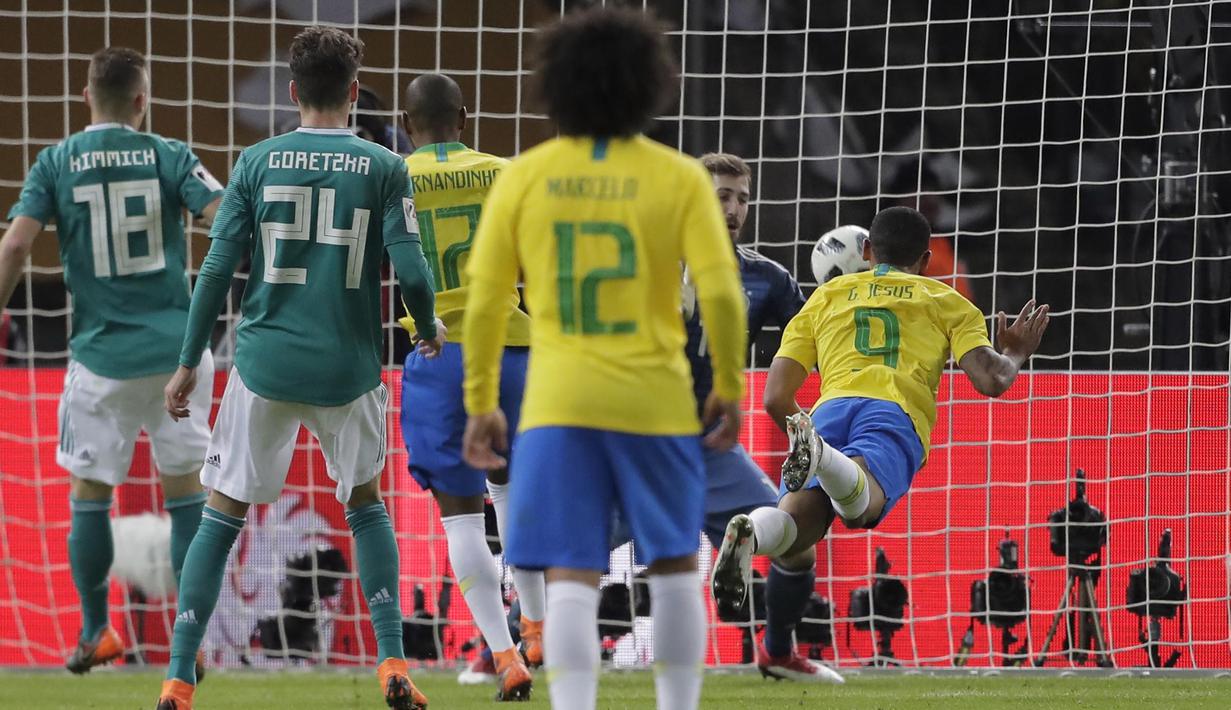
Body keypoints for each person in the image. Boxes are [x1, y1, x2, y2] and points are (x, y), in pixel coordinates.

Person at [459, 7, 747, 710]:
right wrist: (731, 385)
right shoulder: (678, 177)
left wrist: (480, 403)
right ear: (649, 84)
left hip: (560, 405)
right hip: (653, 399)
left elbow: (486, 299)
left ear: (555, 85)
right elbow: (722, 296)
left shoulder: (525, 177)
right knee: (676, 565)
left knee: (570, 574)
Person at [154, 26, 442, 710]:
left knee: (221, 512)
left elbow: (217, 268)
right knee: (366, 506)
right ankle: (393, 665)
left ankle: (176, 677)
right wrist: (427, 327)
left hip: (264, 364)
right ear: (352, 92)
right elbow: (410, 270)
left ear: (292, 92)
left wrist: (188, 363)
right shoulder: (384, 165)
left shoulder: (256, 161)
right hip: (348, 369)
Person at [711, 205, 1050, 678]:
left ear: (867, 251)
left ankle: (751, 530)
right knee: (860, 509)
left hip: (828, 411)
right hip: (892, 411)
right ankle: (826, 460)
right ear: (927, 259)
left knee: (796, 533)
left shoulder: (828, 296)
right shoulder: (946, 300)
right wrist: (1013, 350)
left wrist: (804, 427)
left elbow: (774, 398)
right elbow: (991, 380)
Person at [0, 46, 223, 675]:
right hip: (181, 354)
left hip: (101, 359)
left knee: (89, 494)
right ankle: (190, 641)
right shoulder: (169, 154)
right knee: (186, 495)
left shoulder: (56, 162)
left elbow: (17, 243)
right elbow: (224, 213)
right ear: (142, 100)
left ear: (84, 97)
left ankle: (97, 630)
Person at [397, 72, 542, 700]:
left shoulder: (391, 175)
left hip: (437, 351)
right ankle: (536, 625)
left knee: (460, 521)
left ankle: (507, 655)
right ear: (466, 115)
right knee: (513, 489)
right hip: (511, 348)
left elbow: (392, 262)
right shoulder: (506, 172)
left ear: (407, 124)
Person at [680, 153, 842, 683]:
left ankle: (776, 651)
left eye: (741, 198)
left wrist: (849, 292)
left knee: (795, 538)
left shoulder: (764, 277)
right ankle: (511, 647)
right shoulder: (653, 266)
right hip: (640, 447)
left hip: (712, 451)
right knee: (567, 553)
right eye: (721, 195)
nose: (733, 208)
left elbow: (816, 339)